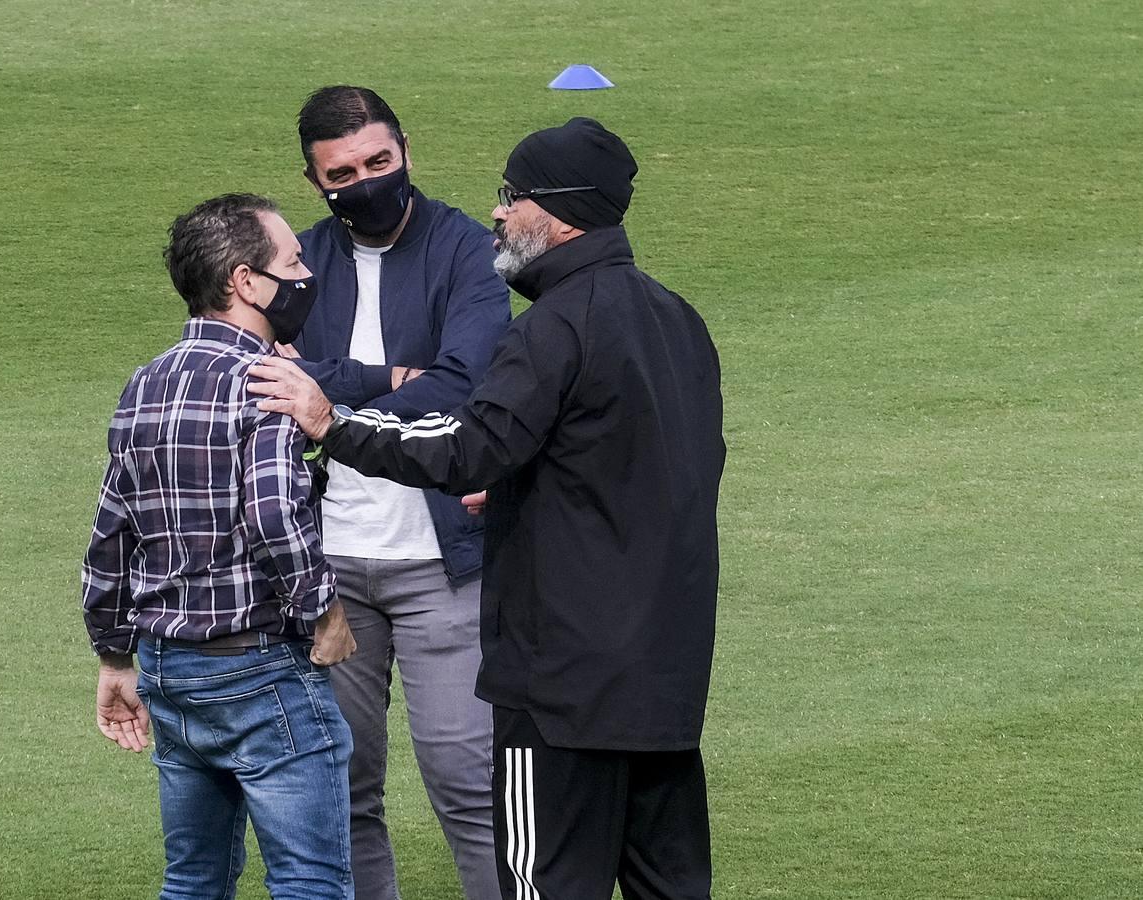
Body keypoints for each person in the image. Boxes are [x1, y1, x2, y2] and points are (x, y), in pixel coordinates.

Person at [248, 118, 726, 900]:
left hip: (561, 683)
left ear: (561, 212)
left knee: (541, 885)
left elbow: (464, 449)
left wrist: (330, 423)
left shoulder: (554, 329)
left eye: (514, 196)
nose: (499, 214)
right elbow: (649, 465)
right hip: (665, 675)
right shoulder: (678, 319)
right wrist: (521, 479)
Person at [80, 193, 356, 899]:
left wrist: (114, 655)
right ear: (244, 281)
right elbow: (273, 512)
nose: (303, 275)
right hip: (259, 667)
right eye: (291, 262)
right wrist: (324, 612)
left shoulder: (144, 383)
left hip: (171, 673)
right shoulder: (269, 380)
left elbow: (112, 529)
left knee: (194, 881)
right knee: (310, 882)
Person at [280, 85, 510, 900]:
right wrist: (386, 378)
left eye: (380, 161)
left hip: (443, 560)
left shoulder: (468, 250)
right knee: (341, 789)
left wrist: (330, 405)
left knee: (470, 786)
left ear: (407, 148)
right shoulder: (301, 262)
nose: (366, 180)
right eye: (343, 172)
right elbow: (276, 377)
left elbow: (464, 384)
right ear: (316, 182)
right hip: (330, 567)